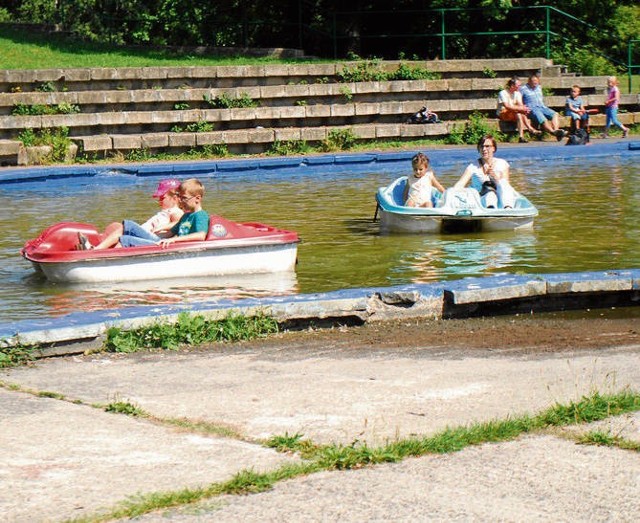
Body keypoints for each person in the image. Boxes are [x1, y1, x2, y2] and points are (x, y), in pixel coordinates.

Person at [77, 178, 184, 250]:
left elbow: (178, 222)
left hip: (155, 238)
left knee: (128, 226)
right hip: (148, 236)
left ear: (174, 198)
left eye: (162, 198)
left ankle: (97, 251)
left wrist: (162, 227)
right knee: (116, 227)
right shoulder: (165, 212)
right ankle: (100, 249)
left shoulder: (176, 211)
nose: (159, 200)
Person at [453, 134, 516, 209]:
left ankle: (508, 209)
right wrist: (451, 193)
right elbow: (460, 184)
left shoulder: (502, 163)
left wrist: (495, 178)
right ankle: (490, 210)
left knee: (503, 182)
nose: (484, 149)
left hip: (500, 198)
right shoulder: (473, 166)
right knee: (490, 194)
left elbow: (506, 186)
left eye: (487, 146)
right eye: (481, 146)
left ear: (493, 148)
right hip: (481, 198)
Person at [519, 74, 567, 140]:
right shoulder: (523, 89)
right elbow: (518, 99)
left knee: (555, 114)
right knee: (543, 118)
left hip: (542, 107)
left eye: (536, 81)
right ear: (529, 81)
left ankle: (556, 130)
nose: (535, 82)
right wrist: (522, 107)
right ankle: (553, 132)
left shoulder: (539, 87)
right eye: (533, 81)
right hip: (532, 109)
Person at [497, 77, 540, 143]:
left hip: (514, 112)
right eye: (518, 85)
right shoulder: (502, 93)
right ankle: (530, 129)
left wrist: (523, 109)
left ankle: (521, 136)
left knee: (520, 113)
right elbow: (507, 106)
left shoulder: (518, 93)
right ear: (512, 86)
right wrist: (522, 108)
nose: (520, 87)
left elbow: (521, 105)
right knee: (519, 112)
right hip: (503, 113)